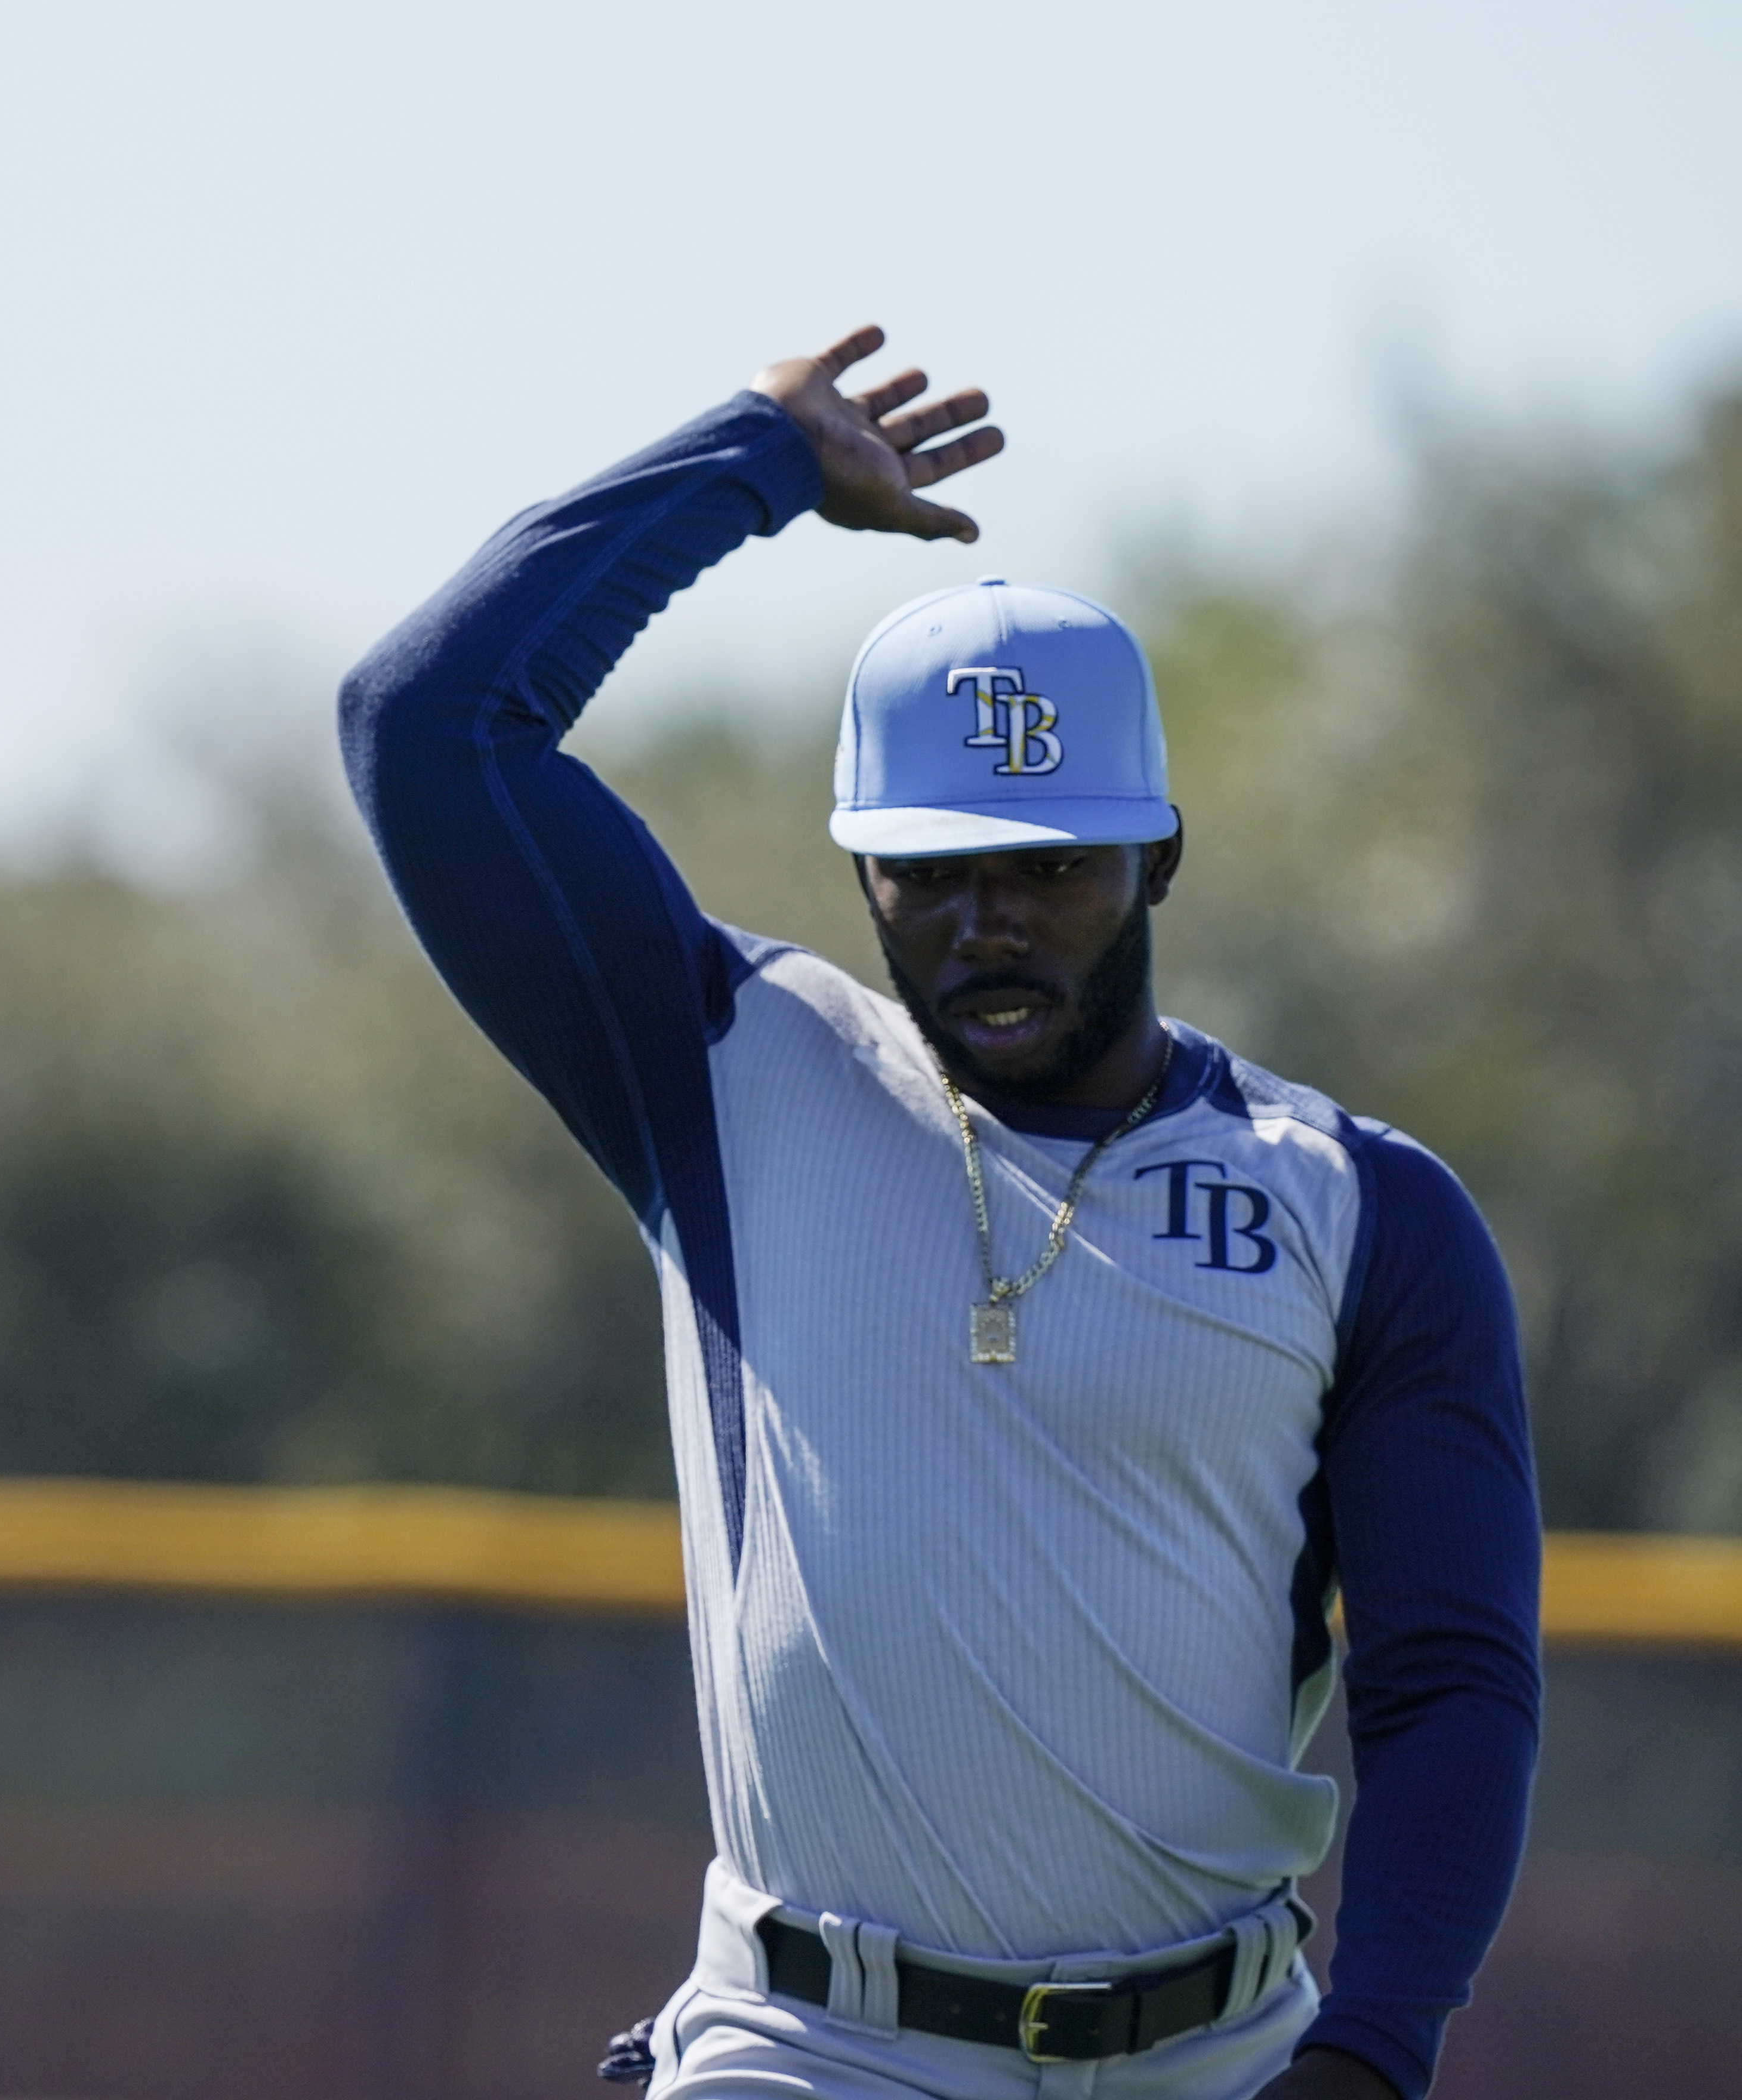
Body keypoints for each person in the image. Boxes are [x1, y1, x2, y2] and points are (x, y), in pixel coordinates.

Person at [335, 334, 1538, 2100]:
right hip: (809, 2045)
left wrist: (1373, 2053)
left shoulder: (1363, 1208)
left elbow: (1450, 1684)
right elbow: (424, 728)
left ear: (1159, 861)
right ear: (861, 873)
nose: (989, 924)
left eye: (1047, 866)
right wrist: (750, 463)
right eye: (933, 870)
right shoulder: (727, 1067)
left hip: (1222, 2055)